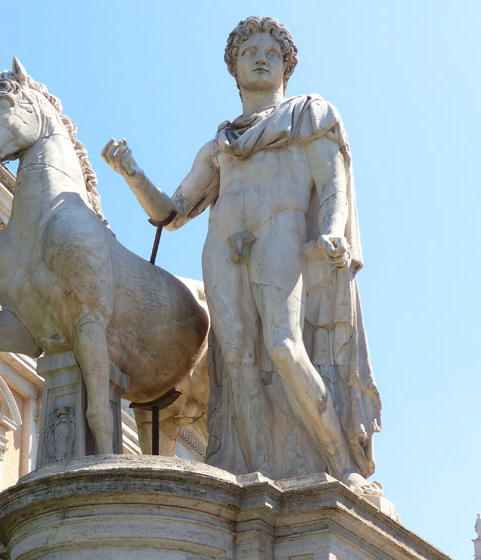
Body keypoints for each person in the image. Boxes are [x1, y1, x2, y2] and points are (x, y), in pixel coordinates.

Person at [102, 16, 381, 494]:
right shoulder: (220, 145)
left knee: (283, 345)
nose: (260, 57)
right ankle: (250, 474)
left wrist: (334, 231)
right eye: (249, 51)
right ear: (233, 67)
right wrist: (132, 174)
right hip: (223, 246)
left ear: (287, 68)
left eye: (272, 53)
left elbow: (334, 183)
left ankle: (340, 463)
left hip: (283, 233)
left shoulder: (309, 116)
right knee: (233, 361)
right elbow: (172, 213)